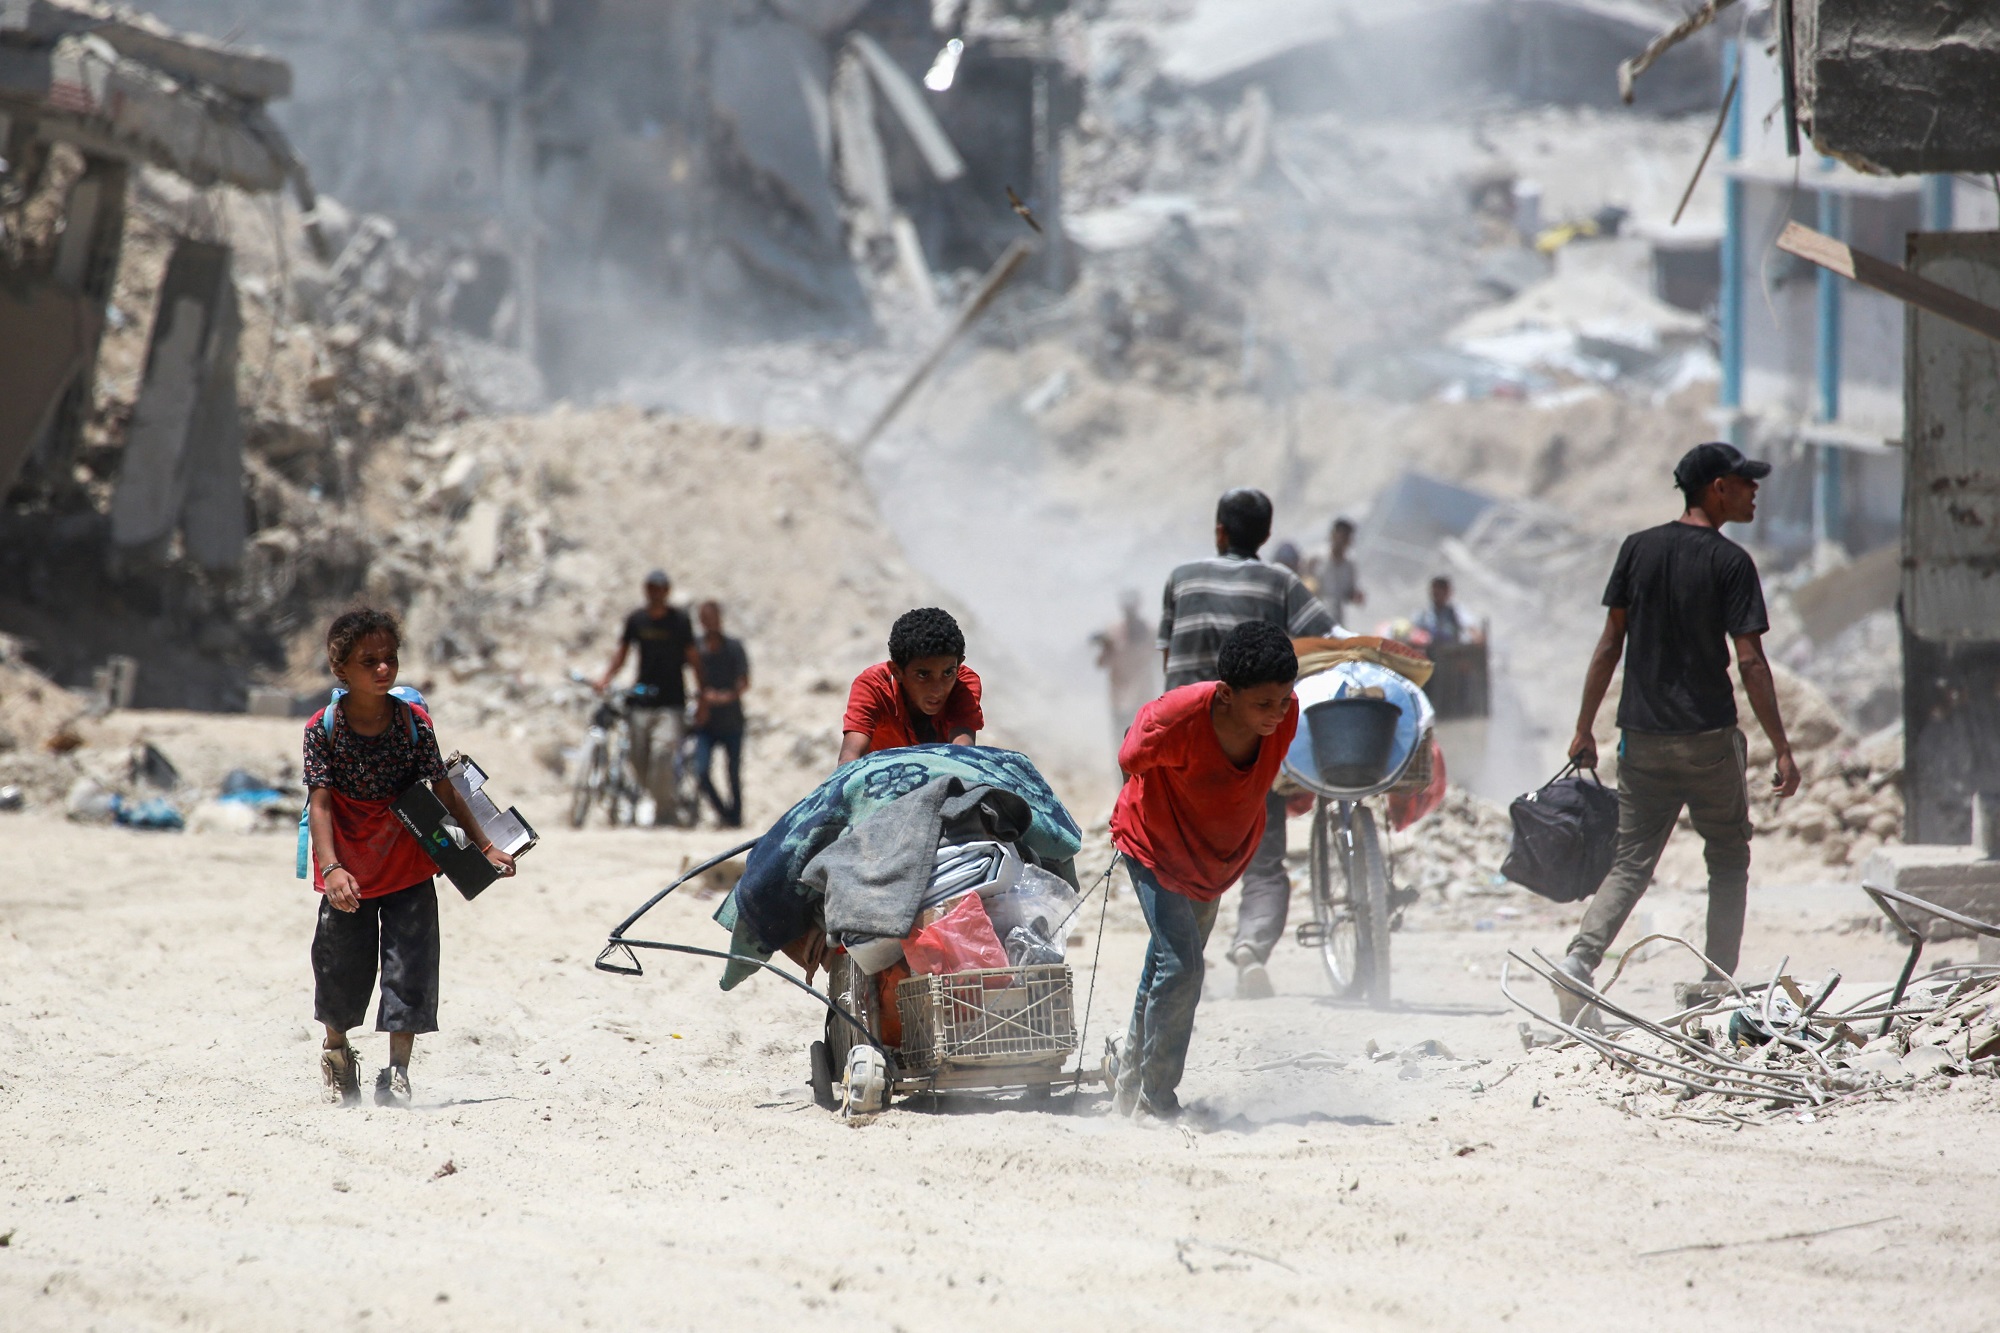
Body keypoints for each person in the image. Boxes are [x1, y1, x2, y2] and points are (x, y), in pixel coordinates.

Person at [1555, 442, 1802, 1014]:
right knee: (1728, 857)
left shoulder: (1637, 549)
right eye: (1746, 482)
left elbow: (1610, 644)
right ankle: (1716, 986)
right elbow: (1750, 662)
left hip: (1641, 737)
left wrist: (1584, 726)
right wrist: (1782, 747)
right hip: (1708, 737)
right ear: (1718, 488)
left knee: (1631, 861)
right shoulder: (1731, 562)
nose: (1754, 492)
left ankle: (1579, 962)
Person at [306, 608, 515, 1107]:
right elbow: (320, 803)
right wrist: (332, 869)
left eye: (390, 658)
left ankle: (397, 1074)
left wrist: (485, 846)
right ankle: (337, 1057)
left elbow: (445, 791)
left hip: (407, 866)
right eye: (369, 661)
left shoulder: (413, 724)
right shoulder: (323, 729)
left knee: (410, 970)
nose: (383, 669)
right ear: (340, 668)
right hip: (349, 872)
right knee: (339, 970)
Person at [1112, 621, 1301, 1121]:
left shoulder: (1285, 718)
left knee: (1165, 966)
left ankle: (1128, 1089)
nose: (1276, 713)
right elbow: (1130, 756)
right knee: (1184, 967)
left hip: (1214, 861)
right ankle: (1157, 1101)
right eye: (1263, 703)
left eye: (1284, 700)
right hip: (1154, 848)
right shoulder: (1178, 718)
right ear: (1226, 694)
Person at [1159, 487, 1339, 1000]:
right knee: (1264, 861)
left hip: (1186, 743)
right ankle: (1250, 950)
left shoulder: (1181, 578)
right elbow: (1328, 642)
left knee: (1183, 861)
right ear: (1265, 535)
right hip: (1256, 748)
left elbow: (1167, 660)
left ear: (1220, 531)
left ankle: (1182, 963)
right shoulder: (1281, 582)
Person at [596, 569, 695, 825]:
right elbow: (622, 652)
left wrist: (703, 693)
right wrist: (606, 678)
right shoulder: (636, 620)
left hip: (671, 702)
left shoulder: (680, 621)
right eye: (651, 588)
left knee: (662, 755)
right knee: (637, 759)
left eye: (660, 588)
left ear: (667, 591)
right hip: (641, 701)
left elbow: (693, 657)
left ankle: (666, 812)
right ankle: (660, 800)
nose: (655, 593)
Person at [838, 607, 982, 765]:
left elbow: (963, 753)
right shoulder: (874, 687)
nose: (937, 690)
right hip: (881, 777)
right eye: (923, 675)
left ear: (959, 665)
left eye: (948, 673)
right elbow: (850, 756)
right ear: (897, 671)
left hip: (944, 773)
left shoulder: (963, 684)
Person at [689, 599, 750, 827]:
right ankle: (724, 813)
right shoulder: (696, 648)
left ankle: (736, 818)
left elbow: (744, 682)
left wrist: (723, 697)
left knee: (733, 773)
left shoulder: (733, 647)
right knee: (701, 770)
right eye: (705, 619)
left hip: (732, 721)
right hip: (706, 723)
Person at [1091, 589, 1161, 755]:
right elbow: (1101, 663)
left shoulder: (1151, 632)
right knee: (1121, 744)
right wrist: (1106, 647)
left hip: (1143, 698)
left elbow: (1159, 662)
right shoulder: (1113, 631)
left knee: (1144, 743)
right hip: (1119, 699)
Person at [1307, 518, 1365, 625]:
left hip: (1336, 619)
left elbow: (1350, 592)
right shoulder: (1316, 557)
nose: (1341, 541)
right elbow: (1304, 580)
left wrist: (1356, 596)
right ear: (1333, 535)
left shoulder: (1350, 563)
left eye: (1345, 538)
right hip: (1314, 616)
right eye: (1340, 536)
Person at [1412, 575, 1481, 646]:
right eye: (1436, 590)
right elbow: (1415, 633)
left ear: (1448, 592)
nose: (1439, 593)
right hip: (1430, 649)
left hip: (1452, 649)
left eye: (1442, 590)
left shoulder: (1456, 612)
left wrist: (1476, 638)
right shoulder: (1424, 614)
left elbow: (1471, 627)